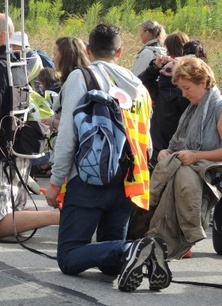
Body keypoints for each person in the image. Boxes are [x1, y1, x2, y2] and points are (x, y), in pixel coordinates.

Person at [45, 23, 166, 292]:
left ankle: (134, 248)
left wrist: (55, 181)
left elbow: (68, 134)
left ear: (88, 50)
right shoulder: (139, 86)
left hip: (89, 179)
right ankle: (137, 250)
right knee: (111, 264)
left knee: (68, 256)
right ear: (120, 51)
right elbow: (147, 143)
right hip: (127, 182)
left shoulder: (83, 77)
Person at [0, 13, 59, 239]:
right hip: (15, 150)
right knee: (10, 213)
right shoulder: (16, 64)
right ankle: (58, 216)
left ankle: (60, 216)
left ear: (2, 35)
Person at [147, 56, 222, 259]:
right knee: (174, 166)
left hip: (213, 170)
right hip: (193, 164)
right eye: (181, 89)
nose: (184, 94)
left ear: (204, 82)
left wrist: (196, 156)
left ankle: (185, 235)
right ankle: (166, 235)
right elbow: (178, 145)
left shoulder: (219, 107)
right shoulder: (192, 109)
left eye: (187, 88)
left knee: (182, 175)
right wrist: (166, 152)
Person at [138, 32, 191, 165]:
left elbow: (140, 84)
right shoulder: (186, 82)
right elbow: (141, 85)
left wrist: (158, 69)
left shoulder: (174, 82)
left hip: (163, 141)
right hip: (173, 145)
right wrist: (157, 67)